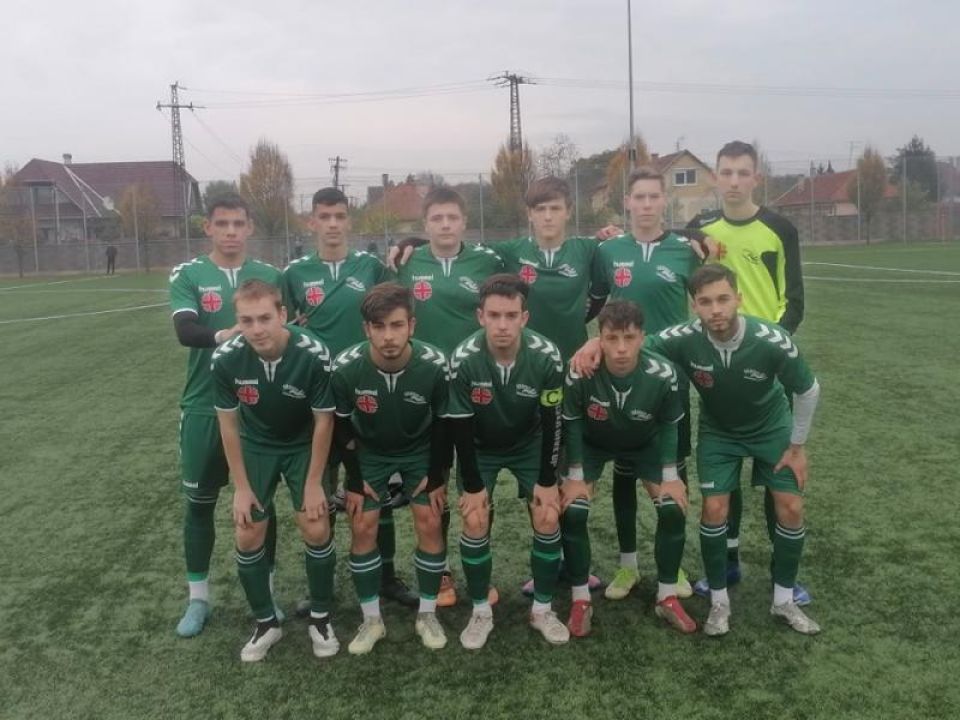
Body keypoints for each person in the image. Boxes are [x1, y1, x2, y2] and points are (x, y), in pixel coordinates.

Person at [573, 265, 821, 636]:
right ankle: (719, 602)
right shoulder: (684, 337)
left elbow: (808, 389)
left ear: (738, 299)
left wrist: (797, 446)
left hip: (771, 428)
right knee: (714, 508)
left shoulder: (772, 339)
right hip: (719, 431)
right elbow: (634, 342)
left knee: (791, 506)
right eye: (705, 302)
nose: (715, 309)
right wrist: (595, 342)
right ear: (694, 306)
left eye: (723, 299)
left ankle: (783, 600)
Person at [281, 188, 415, 607]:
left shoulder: (371, 267)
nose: (333, 224)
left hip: (365, 395)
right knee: (318, 494)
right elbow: (284, 329)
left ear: (349, 220)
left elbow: (396, 303)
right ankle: (319, 588)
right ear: (312, 222)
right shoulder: (294, 273)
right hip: (315, 401)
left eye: (340, 215)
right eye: (324, 216)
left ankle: (387, 576)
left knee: (377, 490)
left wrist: (410, 242)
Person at [687, 140, 808, 604]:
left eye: (743, 173)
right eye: (726, 172)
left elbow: (793, 300)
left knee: (777, 470)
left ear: (756, 177)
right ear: (715, 177)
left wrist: (770, 346)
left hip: (766, 362)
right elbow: (662, 236)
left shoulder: (779, 229)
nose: (734, 181)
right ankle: (729, 561)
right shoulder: (701, 230)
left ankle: (784, 573)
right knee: (725, 470)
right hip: (718, 362)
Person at [589, 167, 705, 601]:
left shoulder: (686, 251)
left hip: (671, 378)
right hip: (620, 376)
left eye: (654, 196)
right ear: (627, 202)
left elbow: (709, 287)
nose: (646, 204)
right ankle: (628, 566)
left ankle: (672, 567)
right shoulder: (608, 250)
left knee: (673, 469)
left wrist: (701, 238)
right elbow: (595, 303)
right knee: (625, 470)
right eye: (639, 197)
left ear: (664, 201)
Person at [168, 194, 281, 638]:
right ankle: (198, 599)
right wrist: (226, 336)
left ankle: (266, 594)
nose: (231, 231)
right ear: (208, 228)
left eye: (238, 223)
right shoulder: (189, 274)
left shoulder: (271, 276)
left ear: (249, 227)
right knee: (199, 503)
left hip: (258, 406)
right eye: (222, 224)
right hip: (203, 404)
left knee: (260, 503)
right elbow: (185, 330)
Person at [211, 280, 338, 662]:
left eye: (265, 318)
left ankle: (321, 618)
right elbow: (228, 424)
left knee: (316, 525)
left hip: (303, 444)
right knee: (247, 530)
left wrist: (314, 483)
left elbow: (324, 421)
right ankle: (266, 623)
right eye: (247, 320)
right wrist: (241, 487)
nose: (256, 329)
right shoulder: (225, 358)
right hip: (257, 445)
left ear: (282, 315)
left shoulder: (313, 353)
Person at [394, 186, 504, 607]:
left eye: (452, 217)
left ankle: (480, 572)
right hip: (426, 387)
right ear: (425, 224)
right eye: (436, 218)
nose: (445, 225)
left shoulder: (488, 261)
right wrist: (406, 243)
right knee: (433, 479)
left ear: (464, 222)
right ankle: (439, 571)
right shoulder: (407, 263)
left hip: (477, 384)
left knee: (478, 479)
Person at [447, 274, 569, 649]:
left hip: (529, 442)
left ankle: (542, 610)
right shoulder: (463, 359)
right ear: (480, 316)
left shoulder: (547, 356)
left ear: (524, 318)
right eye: (494, 315)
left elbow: (554, 421)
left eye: (511, 315)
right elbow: (460, 427)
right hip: (480, 445)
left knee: (548, 514)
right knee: (474, 518)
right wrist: (472, 486)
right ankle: (481, 610)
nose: (502, 325)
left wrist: (547, 479)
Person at [563, 300, 695, 635]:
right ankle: (580, 600)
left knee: (672, 507)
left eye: (630, 338)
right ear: (600, 339)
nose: (621, 348)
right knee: (573, 510)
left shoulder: (663, 373)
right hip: (593, 444)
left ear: (642, 338)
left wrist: (671, 477)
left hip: (644, 442)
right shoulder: (581, 370)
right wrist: (575, 476)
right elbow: (573, 423)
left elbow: (669, 424)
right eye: (612, 338)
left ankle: (667, 596)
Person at [331, 283, 450, 654]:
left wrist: (436, 474)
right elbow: (341, 425)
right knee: (362, 524)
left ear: (411, 325)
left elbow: (445, 423)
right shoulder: (345, 368)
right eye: (379, 326)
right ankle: (371, 620)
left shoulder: (435, 364)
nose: (388, 336)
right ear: (366, 329)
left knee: (429, 520)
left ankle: (427, 614)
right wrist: (354, 478)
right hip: (370, 452)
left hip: (420, 450)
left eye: (397, 325)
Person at [496, 177, 599, 360]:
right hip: (527, 361)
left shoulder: (587, 249)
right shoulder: (511, 251)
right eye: (540, 209)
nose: (548, 216)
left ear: (568, 212)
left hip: (576, 360)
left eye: (555, 208)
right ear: (529, 214)